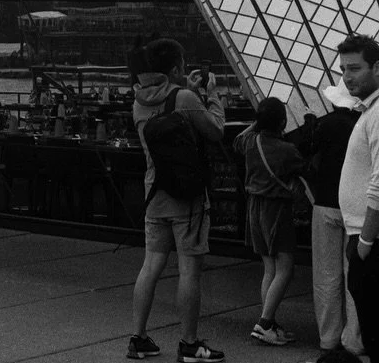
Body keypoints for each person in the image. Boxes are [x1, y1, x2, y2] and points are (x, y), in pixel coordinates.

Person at [128, 38, 225, 363]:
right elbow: (215, 130)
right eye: (182, 66)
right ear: (173, 69)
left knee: (150, 266)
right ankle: (189, 344)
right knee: (188, 272)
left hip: (154, 194)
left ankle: (138, 339)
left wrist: (184, 88)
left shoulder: (138, 101)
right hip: (188, 199)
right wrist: (210, 95)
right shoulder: (184, 97)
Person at [288, 84, 364, 363]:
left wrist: (309, 122)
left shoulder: (327, 125)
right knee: (354, 274)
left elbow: (303, 149)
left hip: (325, 204)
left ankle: (329, 338)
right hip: (356, 209)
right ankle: (355, 339)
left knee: (326, 274)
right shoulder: (364, 123)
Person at [235, 97, 304, 345]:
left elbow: (240, 138)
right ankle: (264, 323)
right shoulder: (287, 150)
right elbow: (303, 167)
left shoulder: (250, 142)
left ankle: (270, 321)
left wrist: (257, 123)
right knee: (286, 268)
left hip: (254, 209)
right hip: (276, 209)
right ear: (283, 122)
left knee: (270, 268)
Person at [337, 34, 379, 361]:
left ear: (376, 68)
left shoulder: (377, 113)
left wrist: (365, 242)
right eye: (343, 70)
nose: (348, 77)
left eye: (355, 68)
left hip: (370, 239)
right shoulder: (369, 111)